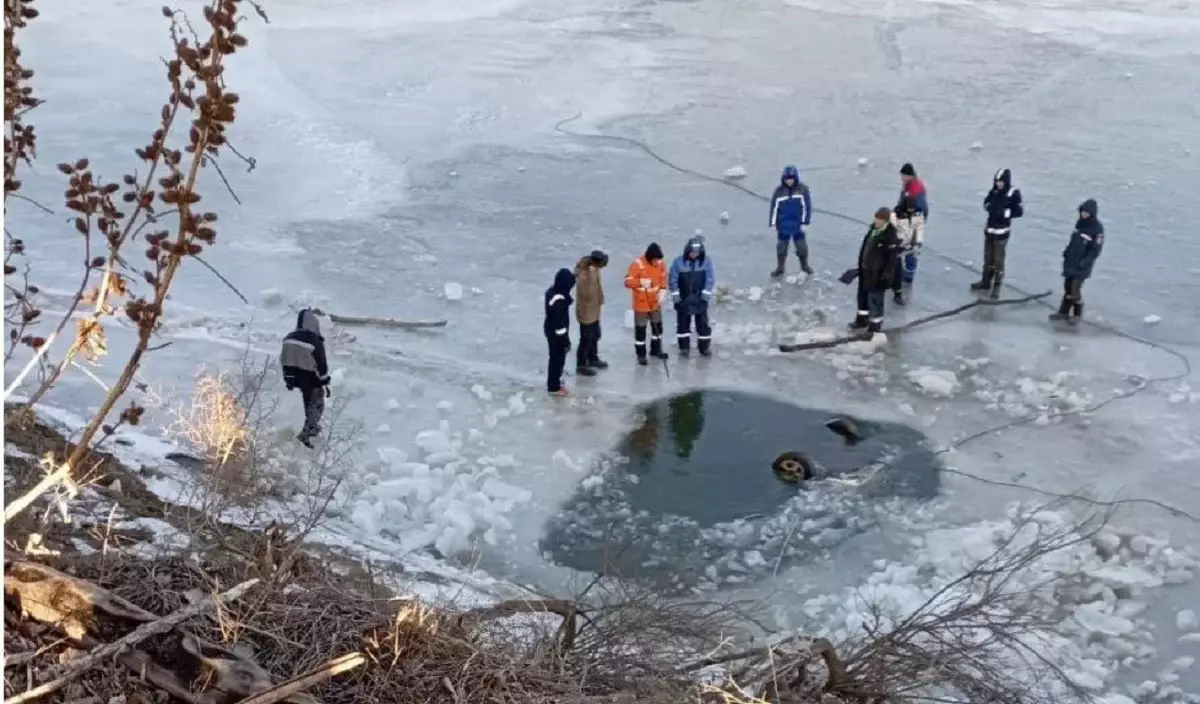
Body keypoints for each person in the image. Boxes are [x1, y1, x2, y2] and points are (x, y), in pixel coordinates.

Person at [843, 207, 900, 335]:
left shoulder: (890, 237)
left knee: (875, 301)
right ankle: (861, 320)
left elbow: (892, 260)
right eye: (876, 219)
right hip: (865, 271)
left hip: (878, 275)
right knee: (862, 298)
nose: (877, 222)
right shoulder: (872, 230)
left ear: (885, 221)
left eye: (879, 220)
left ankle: (875, 326)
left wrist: (886, 275)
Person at [280, 308, 331, 448]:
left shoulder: (288, 337)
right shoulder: (315, 341)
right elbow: (321, 364)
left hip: (294, 376)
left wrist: (288, 378)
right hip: (311, 377)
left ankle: (309, 426)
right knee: (316, 403)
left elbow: (283, 359)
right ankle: (308, 431)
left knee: (307, 400)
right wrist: (325, 381)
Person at [973, 167, 1024, 299]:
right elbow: (986, 202)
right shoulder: (994, 191)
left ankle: (997, 286)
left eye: (1000, 181)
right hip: (990, 230)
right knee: (988, 258)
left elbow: (1019, 211)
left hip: (1002, 233)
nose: (998, 184)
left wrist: (1006, 213)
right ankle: (985, 282)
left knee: (998, 260)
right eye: (996, 181)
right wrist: (989, 207)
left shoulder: (1013, 193)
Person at [1051, 199, 1103, 325]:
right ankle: (1063, 311)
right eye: (1083, 212)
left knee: (1075, 289)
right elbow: (1073, 241)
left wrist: (1085, 262)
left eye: (1086, 213)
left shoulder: (1097, 229)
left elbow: (1095, 250)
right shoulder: (1079, 224)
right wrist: (1067, 252)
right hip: (1071, 261)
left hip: (1082, 265)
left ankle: (1077, 313)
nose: (1084, 215)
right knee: (1067, 286)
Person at [669, 236, 716, 356]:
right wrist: (677, 299)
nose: (694, 255)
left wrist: (705, 298)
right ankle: (684, 348)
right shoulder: (678, 262)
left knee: (703, 325)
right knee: (683, 325)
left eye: (697, 253)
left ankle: (704, 348)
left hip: (700, 299)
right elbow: (673, 281)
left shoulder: (707, 262)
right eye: (692, 252)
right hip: (684, 299)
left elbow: (710, 280)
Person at [624, 243, 670, 366]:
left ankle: (656, 350)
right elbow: (627, 282)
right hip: (641, 304)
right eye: (655, 259)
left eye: (658, 259)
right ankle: (641, 355)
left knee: (658, 328)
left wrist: (663, 290)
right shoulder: (637, 265)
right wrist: (640, 282)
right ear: (650, 257)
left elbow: (663, 277)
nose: (657, 261)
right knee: (641, 331)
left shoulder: (661, 264)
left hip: (655, 303)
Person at [768, 165, 814, 277]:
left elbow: (807, 207)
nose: (789, 181)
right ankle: (780, 267)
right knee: (781, 249)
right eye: (787, 178)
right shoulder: (778, 192)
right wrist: (773, 223)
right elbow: (774, 208)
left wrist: (805, 222)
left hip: (798, 226)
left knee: (802, 248)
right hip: (783, 226)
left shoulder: (803, 190)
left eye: (792, 178)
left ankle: (804, 266)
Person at [573, 249, 609, 377]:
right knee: (586, 338)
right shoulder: (584, 272)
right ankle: (581, 364)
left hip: (595, 308)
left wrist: (600, 297)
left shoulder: (595, 269)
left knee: (595, 335)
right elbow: (585, 293)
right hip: (586, 310)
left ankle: (593, 357)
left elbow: (598, 285)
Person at [544, 268, 576, 397]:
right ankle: (554, 387)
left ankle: (556, 380)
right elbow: (560, 326)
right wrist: (565, 341)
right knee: (556, 359)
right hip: (556, 333)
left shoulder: (553, 292)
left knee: (556, 358)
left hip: (551, 329)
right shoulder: (558, 301)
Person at [890, 194, 925, 305]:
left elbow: (919, 228)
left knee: (907, 262)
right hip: (897, 244)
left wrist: (918, 242)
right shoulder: (896, 215)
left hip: (909, 242)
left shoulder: (917, 214)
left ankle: (900, 289)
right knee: (894, 266)